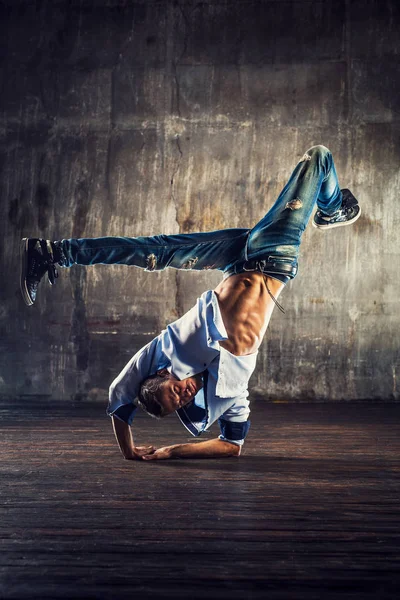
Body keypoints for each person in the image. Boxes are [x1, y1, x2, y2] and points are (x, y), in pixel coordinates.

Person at [20, 145, 361, 460]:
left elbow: (118, 398)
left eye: (174, 390)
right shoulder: (226, 395)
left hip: (235, 257)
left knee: (154, 250)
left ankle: (53, 253)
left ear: (164, 374)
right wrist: (172, 451)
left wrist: (127, 450)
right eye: (180, 402)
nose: (183, 395)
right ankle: (331, 209)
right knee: (319, 157)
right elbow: (232, 445)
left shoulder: (163, 354)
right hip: (274, 255)